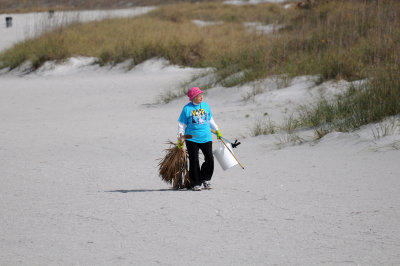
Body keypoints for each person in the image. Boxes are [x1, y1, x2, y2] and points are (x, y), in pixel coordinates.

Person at [177, 87, 222, 191]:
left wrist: (217, 130)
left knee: (210, 158)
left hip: (206, 137)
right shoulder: (187, 109)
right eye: (198, 96)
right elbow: (181, 125)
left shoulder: (205, 105)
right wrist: (180, 139)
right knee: (194, 160)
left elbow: (210, 119)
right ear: (193, 97)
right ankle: (196, 183)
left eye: (201, 95)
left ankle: (206, 179)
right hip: (191, 139)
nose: (201, 97)